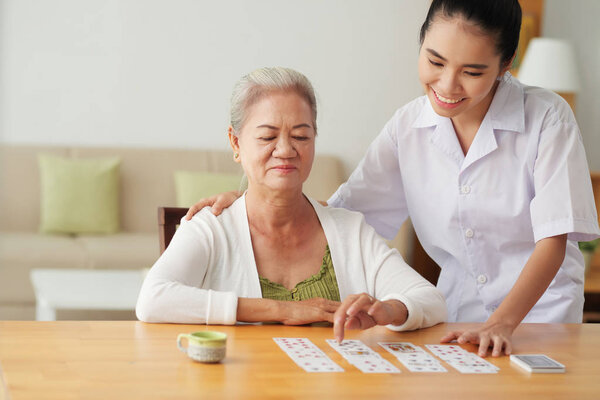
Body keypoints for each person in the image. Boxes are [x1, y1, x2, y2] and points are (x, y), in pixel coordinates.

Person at [185, 0, 600, 357]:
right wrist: (254, 199)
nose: (447, 85)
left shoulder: (547, 118)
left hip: (540, 322)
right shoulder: (409, 127)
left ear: (506, 64)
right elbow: (342, 216)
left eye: (472, 72)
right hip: (456, 322)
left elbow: (553, 241)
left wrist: (503, 323)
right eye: (435, 61)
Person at [136, 67, 447, 340]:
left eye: (301, 136)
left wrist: (387, 310)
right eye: (267, 137)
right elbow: (153, 299)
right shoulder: (211, 226)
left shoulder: (349, 229)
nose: (285, 150)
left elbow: (429, 299)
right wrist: (283, 310)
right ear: (235, 143)